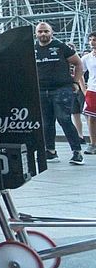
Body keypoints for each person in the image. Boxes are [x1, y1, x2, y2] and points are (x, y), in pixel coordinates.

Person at [34, 23, 85, 164]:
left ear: (51, 32)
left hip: (61, 89)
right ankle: (50, 151)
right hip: (41, 90)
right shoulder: (32, 49)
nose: (43, 34)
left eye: (46, 31)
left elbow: (78, 63)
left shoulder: (61, 47)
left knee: (64, 120)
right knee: (47, 122)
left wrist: (75, 82)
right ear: (36, 33)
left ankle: (77, 152)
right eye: (40, 31)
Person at [82, 33, 96, 155]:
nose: (92, 42)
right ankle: (92, 144)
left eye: (94, 40)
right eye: (90, 40)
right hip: (92, 89)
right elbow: (79, 71)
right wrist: (83, 89)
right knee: (91, 117)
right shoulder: (87, 57)